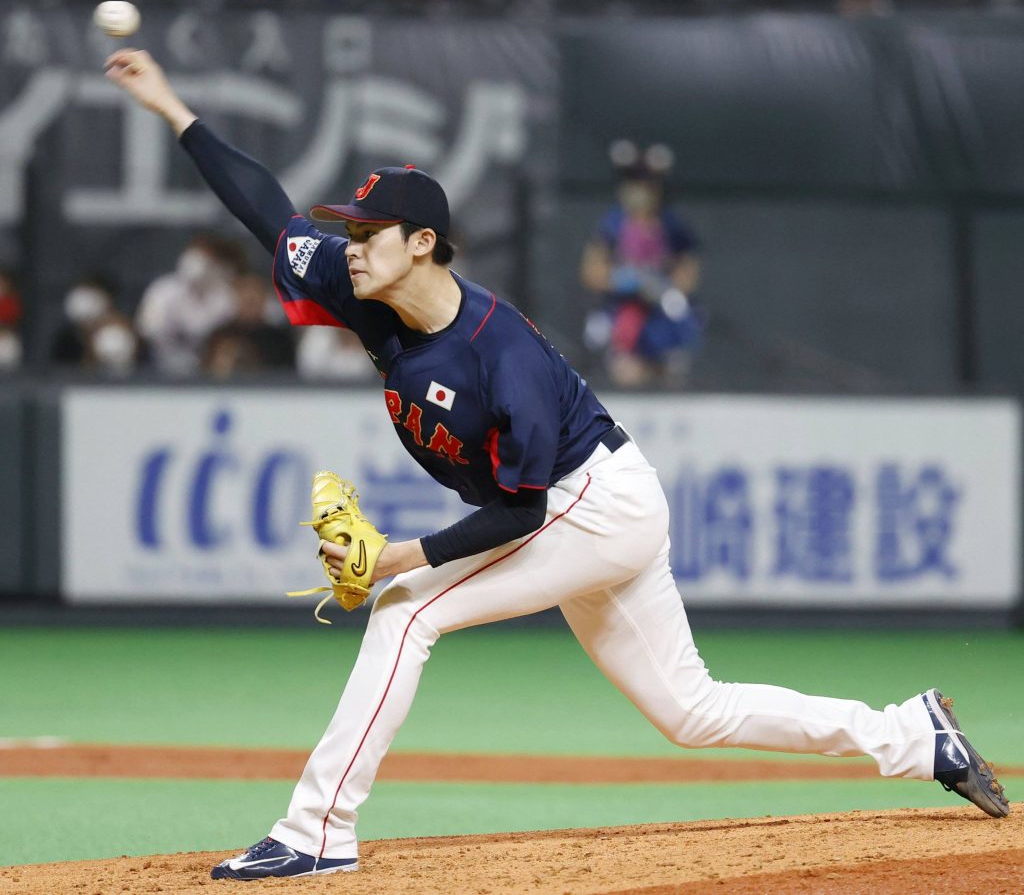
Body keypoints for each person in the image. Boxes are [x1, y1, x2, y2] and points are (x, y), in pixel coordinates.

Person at [104, 47, 1009, 881]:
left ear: (422, 243)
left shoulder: (506, 359)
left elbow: (520, 515)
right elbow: (268, 210)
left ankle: (315, 833)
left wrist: (394, 556)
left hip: (591, 503)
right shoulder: (357, 276)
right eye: (353, 228)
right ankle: (915, 736)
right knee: (693, 713)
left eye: (371, 231)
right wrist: (172, 108)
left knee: (405, 611)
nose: (351, 244)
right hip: (589, 506)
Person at [580, 141, 704, 388]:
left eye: (646, 184)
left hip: (661, 311)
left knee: (678, 326)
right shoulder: (613, 223)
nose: (638, 192)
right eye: (633, 184)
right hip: (622, 311)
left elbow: (688, 270)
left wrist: (664, 286)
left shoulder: (671, 224)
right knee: (613, 351)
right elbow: (592, 270)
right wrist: (621, 280)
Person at [135, 232, 246, 377]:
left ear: (215, 263)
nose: (196, 262)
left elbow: (225, 335)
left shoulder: (224, 295)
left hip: (207, 367)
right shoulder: (163, 289)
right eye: (194, 254)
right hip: (160, 363)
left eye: (204, 257)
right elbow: (147, 329)